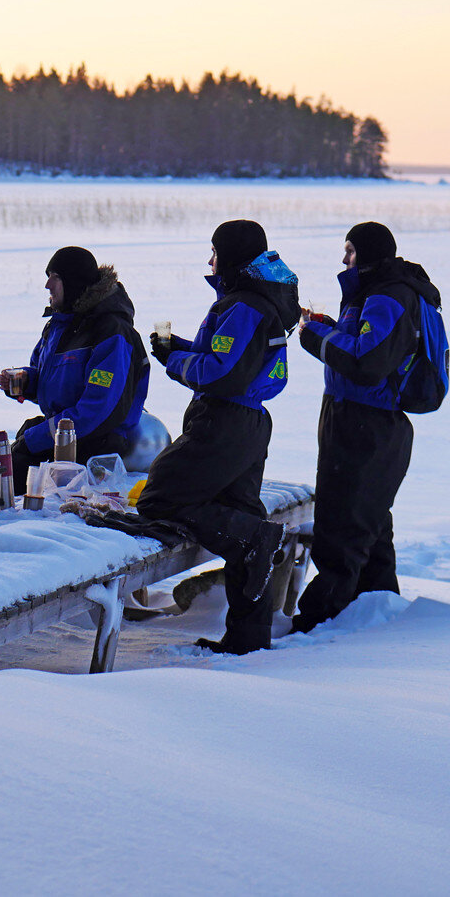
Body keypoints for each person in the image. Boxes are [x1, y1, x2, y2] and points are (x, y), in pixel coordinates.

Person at [136, 220, 301, 655]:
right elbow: (230, 358)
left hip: (225, 422)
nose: (210, 261)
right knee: (237, 512)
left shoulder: (244, 305)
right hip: (247, 424)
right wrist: (181, 350)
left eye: (214, 252)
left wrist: (176, 364)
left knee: (160, 496)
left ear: (231, 256)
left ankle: (257, 537)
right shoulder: (257, 301)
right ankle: (248, 640)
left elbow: (223, 373)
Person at [291, 222, 433, 633]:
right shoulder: (375, 293)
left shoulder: (387, 296)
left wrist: (314, 335)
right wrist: (328, 325)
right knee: (368, 519)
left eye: (350, 250)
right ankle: (376, 607)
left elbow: (366, 364)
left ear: (368, 254)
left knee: (342, 524)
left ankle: (323, 621)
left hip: (365, 423)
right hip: (359, 419)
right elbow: (365, 344)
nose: (344, 258)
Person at [0, 246, 149, 494]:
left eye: (54, 277)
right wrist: (26, 382)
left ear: (73, 282)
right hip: (60, 437)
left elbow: (97, 408)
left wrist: (38, 438)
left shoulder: (110, 332)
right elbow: (48, 377)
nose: (47, 285)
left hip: (93, 448)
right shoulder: (59, 325)